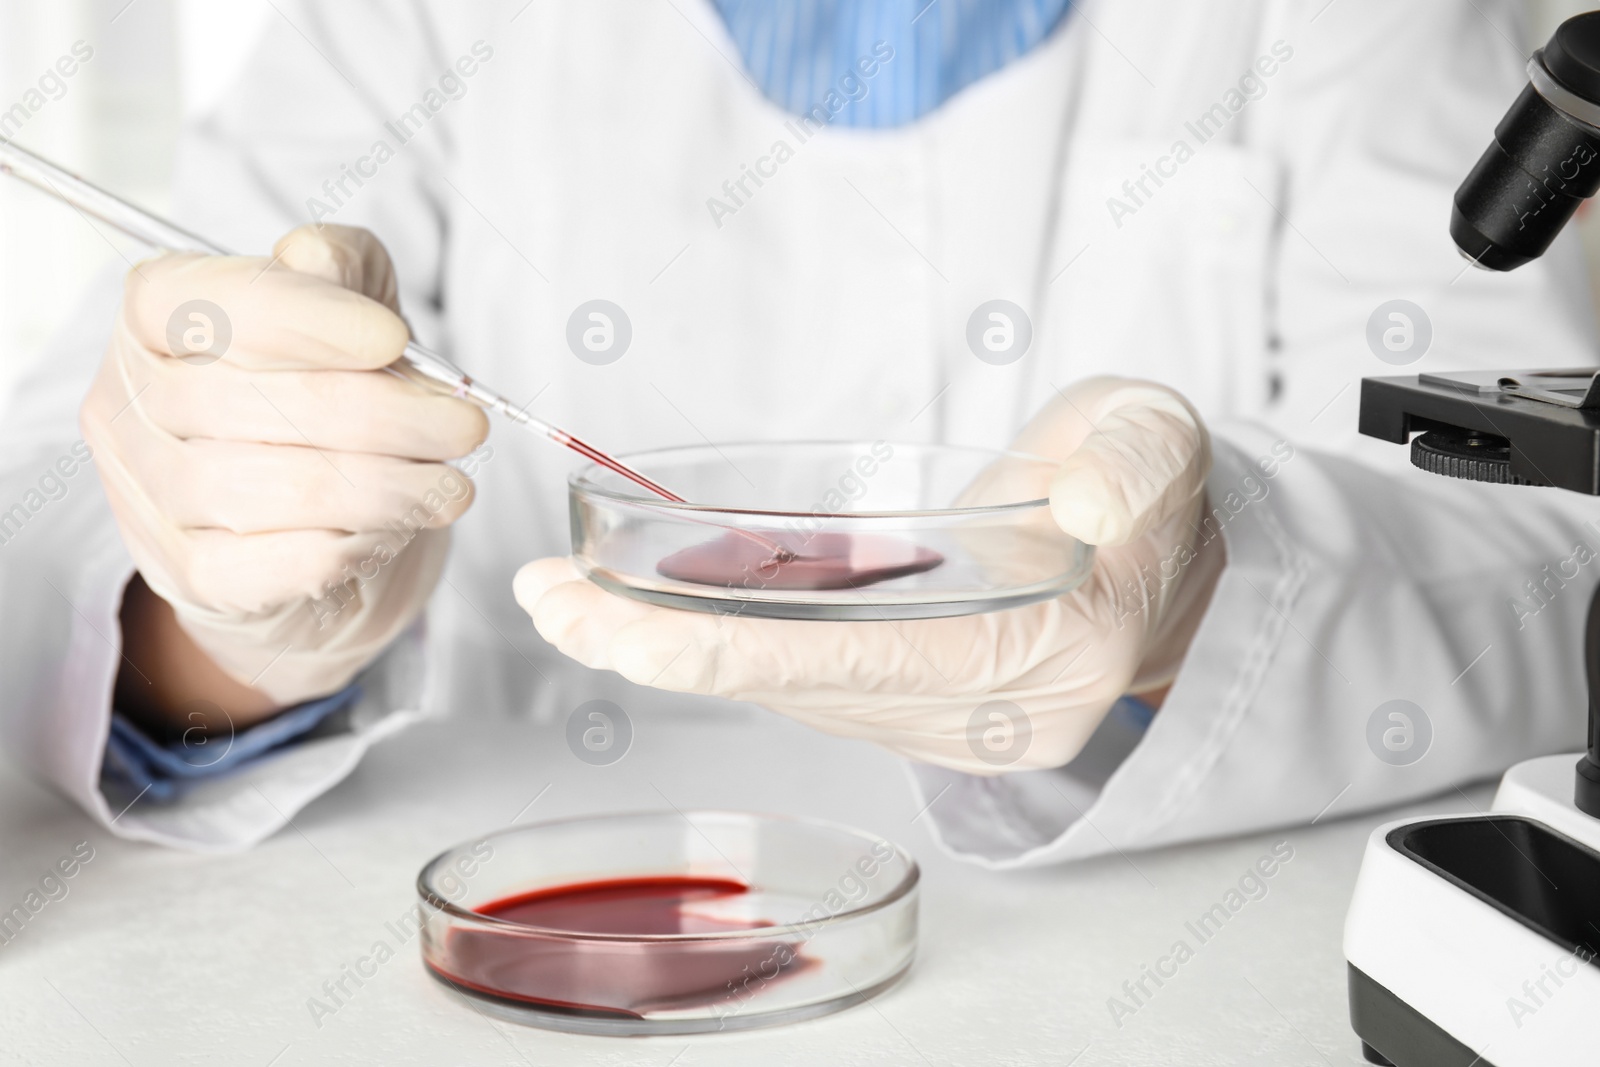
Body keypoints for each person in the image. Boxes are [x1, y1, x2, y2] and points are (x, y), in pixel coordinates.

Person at [3, 0, 1594, 861]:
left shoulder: (1366, 22)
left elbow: (1547, 559)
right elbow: (83, 482)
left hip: (1114, 978)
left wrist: (1202, 596)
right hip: (490, 962)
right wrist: (235, 623)